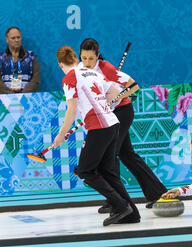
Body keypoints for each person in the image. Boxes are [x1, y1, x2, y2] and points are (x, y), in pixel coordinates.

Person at [78, 38, 168, 213]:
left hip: (122, 112)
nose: (87, 62)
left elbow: (133, 86)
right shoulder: (81, 70)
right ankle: (156, 193)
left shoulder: (105, 68)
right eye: (84, 58)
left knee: (109, 157)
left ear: (98, 56)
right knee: (126, 155)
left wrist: (115, 98)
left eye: (91, 58)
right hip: (108, 115)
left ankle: (117, 201)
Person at [54, 45, 140, 226]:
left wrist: (61, 134)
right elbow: (116, 94)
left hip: (99, 126)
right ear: (76, 59)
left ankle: (120, 205)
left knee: (85, 170)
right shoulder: (91, 72)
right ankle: (131, 213)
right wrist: (103, 104)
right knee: (107, 171)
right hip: (113, 123)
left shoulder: (69, 78)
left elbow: (72, 108)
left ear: (60, 64)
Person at [0, 27, 40, 94]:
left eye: (18, 37)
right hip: (5, 99)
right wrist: (10, 95)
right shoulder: (0, 58)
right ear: (7, 39)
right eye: (13, 38)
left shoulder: (31, 56)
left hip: (27, 97)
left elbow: (36, 78)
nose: (16, 40)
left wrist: (22, 95)